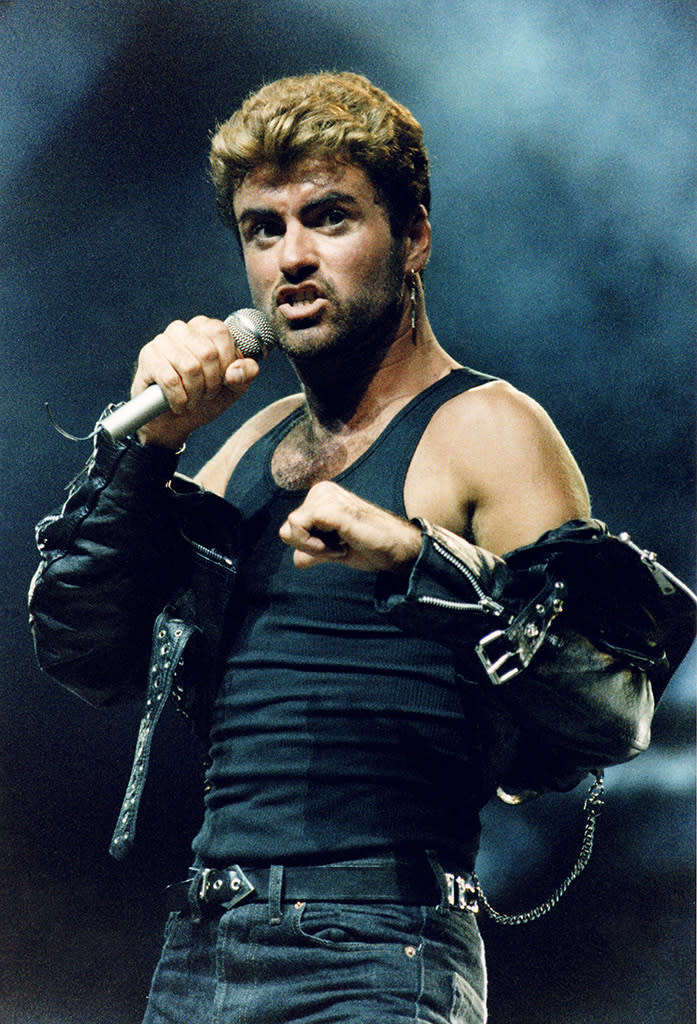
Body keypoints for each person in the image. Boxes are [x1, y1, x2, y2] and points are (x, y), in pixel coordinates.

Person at [28, 72, 694, 1024]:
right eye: (264, 229)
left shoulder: (489, 430)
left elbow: (605, 714)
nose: (291, 257)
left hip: (379, 951)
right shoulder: (238, 448)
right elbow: (84, 652)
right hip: (201, 951)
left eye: (328, 218)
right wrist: (148, 451)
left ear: (413, 234)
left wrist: (420, 558)